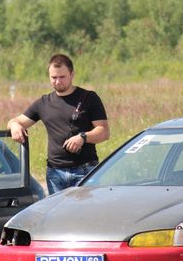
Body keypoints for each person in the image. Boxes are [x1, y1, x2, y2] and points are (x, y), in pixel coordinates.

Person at [8, 53, 109, 195]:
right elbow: (17, 121)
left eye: (62, 77)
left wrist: (83, 137)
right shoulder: (43, 103)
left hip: (85, 170)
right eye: (53, 77)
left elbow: (104, 132)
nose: (57, 81)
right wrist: (14, 126)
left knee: (84, 216)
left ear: (72, 74)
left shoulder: (89, 98)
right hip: (55, 173)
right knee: (57, 216)